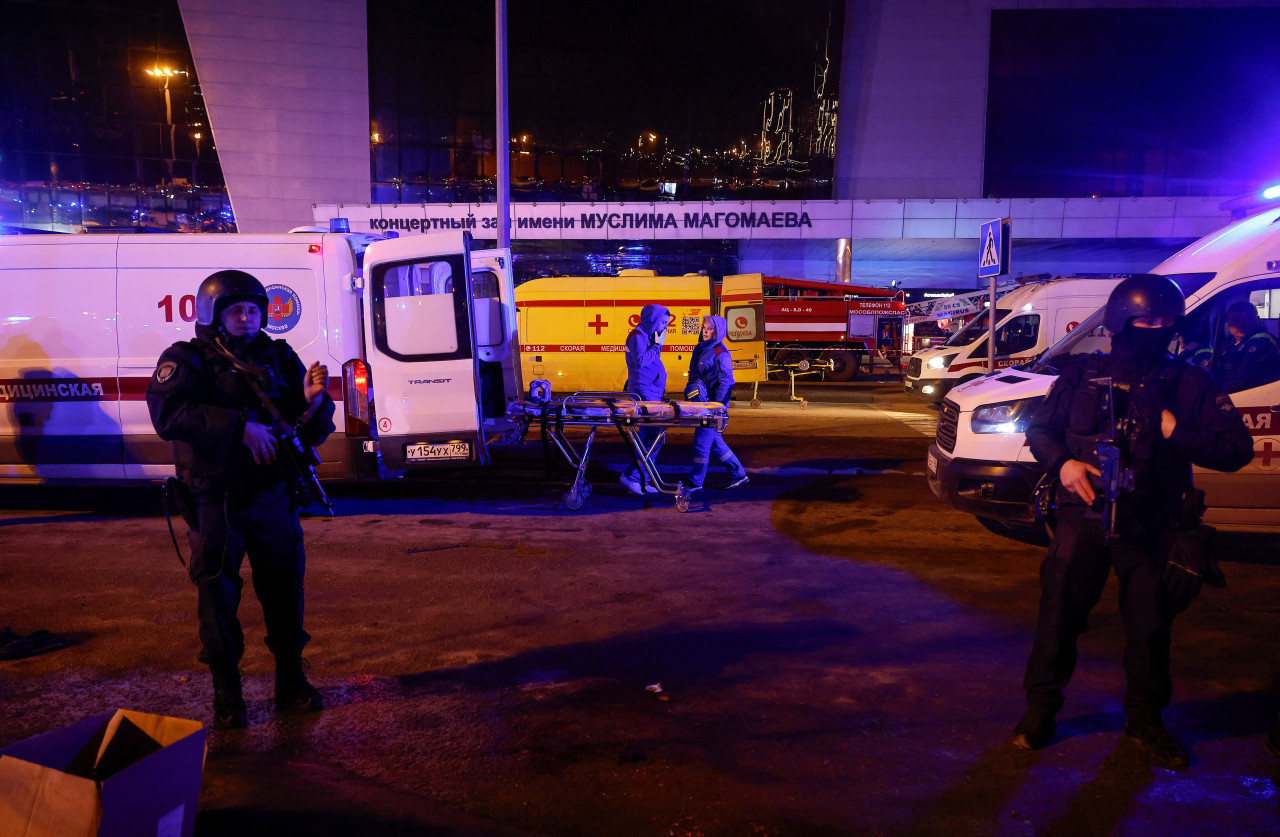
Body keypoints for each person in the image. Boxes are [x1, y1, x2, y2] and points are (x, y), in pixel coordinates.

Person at [1011, 274, 1253, 769]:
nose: (1156, 328)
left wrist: (1174, 429)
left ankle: (1145, 721)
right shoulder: (1080, 375)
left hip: (1152, 524)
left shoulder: (1190, 382)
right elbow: (1039, 429)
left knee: (1149, 629)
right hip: (1084, 517)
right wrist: (1063, 464)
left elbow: (1235, 451)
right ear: (1122, 322)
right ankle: (1039, 713)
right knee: (1058, 618)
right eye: (1146, 320)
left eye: (1166, 322)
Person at [147, 270, 335, 729]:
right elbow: (168, 414)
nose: (247, 318)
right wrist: (239, 429)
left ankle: (291, 683)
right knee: (218, 596)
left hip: (272, 496)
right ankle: (227, 696)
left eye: (253, 310)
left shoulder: (279, 356)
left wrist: (314, 401)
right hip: (217, 499)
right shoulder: (187, 359)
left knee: (285, 590)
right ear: (213, 315)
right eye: (237, 311)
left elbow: (305, 429)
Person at [684, 315, 749, 492]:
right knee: (715, 442)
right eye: (704, 327)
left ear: (718, 331)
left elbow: (727, 383)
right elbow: (695, 375)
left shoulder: (721, 354)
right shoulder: (700, 349)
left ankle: (695, 482)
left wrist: (719, 409)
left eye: (710, 328)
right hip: (704, 405)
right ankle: (738, 474)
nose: (706, 331)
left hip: (713, 407)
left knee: (701, 442)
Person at [620, 303, 671, 494]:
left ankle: (642, 477)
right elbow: (641, 362)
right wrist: (658, 346)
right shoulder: (637, 337)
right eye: (663, 322)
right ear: (653, 320)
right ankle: (634, 476)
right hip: (644, 393)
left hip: (652, 393)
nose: (665, 327)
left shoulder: (646, 336)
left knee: (653, 437)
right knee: (652, 437)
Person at [1213, 300, 1278, 391]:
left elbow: (1240, 379)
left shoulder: (1262, 342)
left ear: (1256, 319)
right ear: (1228, 322)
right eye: (1235, 320)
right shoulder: (1231, 343)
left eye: (1246, 319)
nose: (1240, 324)